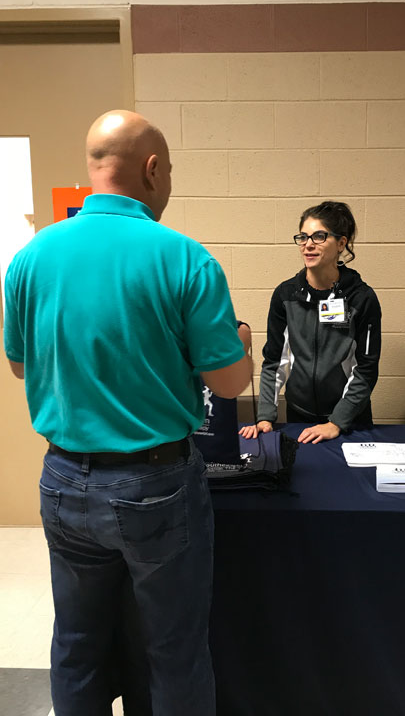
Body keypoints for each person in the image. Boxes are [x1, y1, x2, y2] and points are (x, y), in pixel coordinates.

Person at [3, 110, 253, 716]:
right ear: (151, 168)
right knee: (174, 651)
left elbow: (18, 365)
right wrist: (241, 345)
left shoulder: (31, 259)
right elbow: (228, 383)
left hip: (63, 480)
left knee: (78, 644)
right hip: (156, 485)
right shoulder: (184, 259)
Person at [240, 200, 381, 445]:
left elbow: (366, 369)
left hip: (348, 422)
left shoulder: (361, 298)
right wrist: (265, 416)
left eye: (319, 236)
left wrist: (336, 422)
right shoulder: (286, 295)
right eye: (303, 237)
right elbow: (274, 360)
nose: (308, 245)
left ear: (341, 243)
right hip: (299, 417)